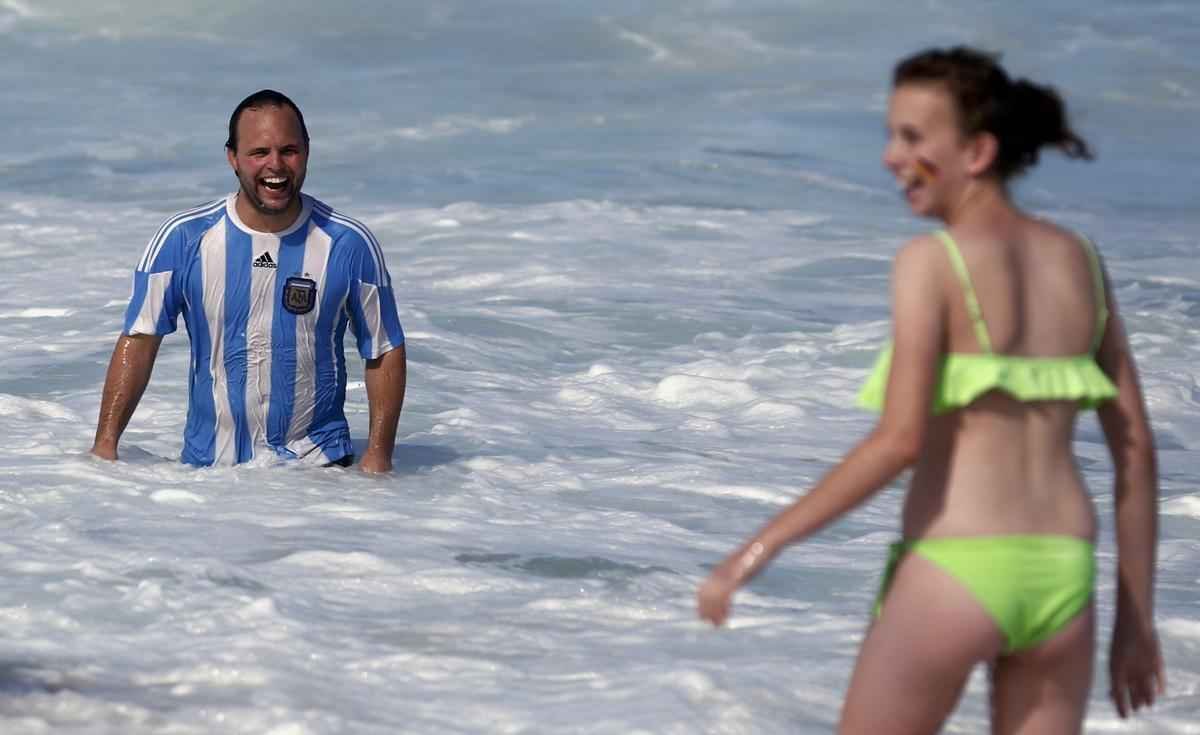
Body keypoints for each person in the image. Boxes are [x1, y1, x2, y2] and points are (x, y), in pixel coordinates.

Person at [697, 47, 1164, 733]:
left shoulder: (932, 263)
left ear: (976, 151)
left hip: (956, 569)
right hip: (1063, 579)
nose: (891, 156)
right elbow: (1137, 452)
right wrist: (1136, 620)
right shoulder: (1082, 261)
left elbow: (899, 441)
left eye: (912, 138)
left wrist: (751, 553)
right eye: (890, 134)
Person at [91, 89, 407, 472]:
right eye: (259, 152)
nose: (275, 165)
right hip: (210, 473)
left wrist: (378, 456)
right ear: (233, 158)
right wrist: (105, 447)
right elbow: (139, 340)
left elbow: (385, 347)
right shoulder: (184, 240)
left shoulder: (348, 244)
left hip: (320, 474)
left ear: (306, 152)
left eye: (288, 150)